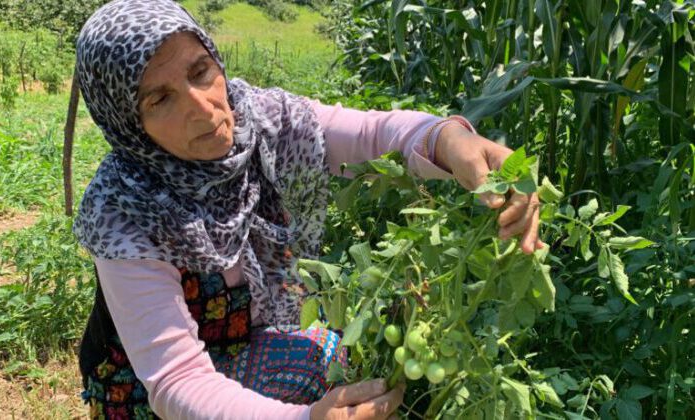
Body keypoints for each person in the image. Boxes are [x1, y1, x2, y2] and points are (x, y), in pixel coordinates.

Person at [73, 1, 542, 419]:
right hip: (146, 397)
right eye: (159, 98)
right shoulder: (124, 210)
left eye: (200, 71)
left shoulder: (263, 120)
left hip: (241, 343)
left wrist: (450, 139)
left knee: (336, 357)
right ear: (127, 122)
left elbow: (374, 135)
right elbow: (177, 382)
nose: (202, 108)